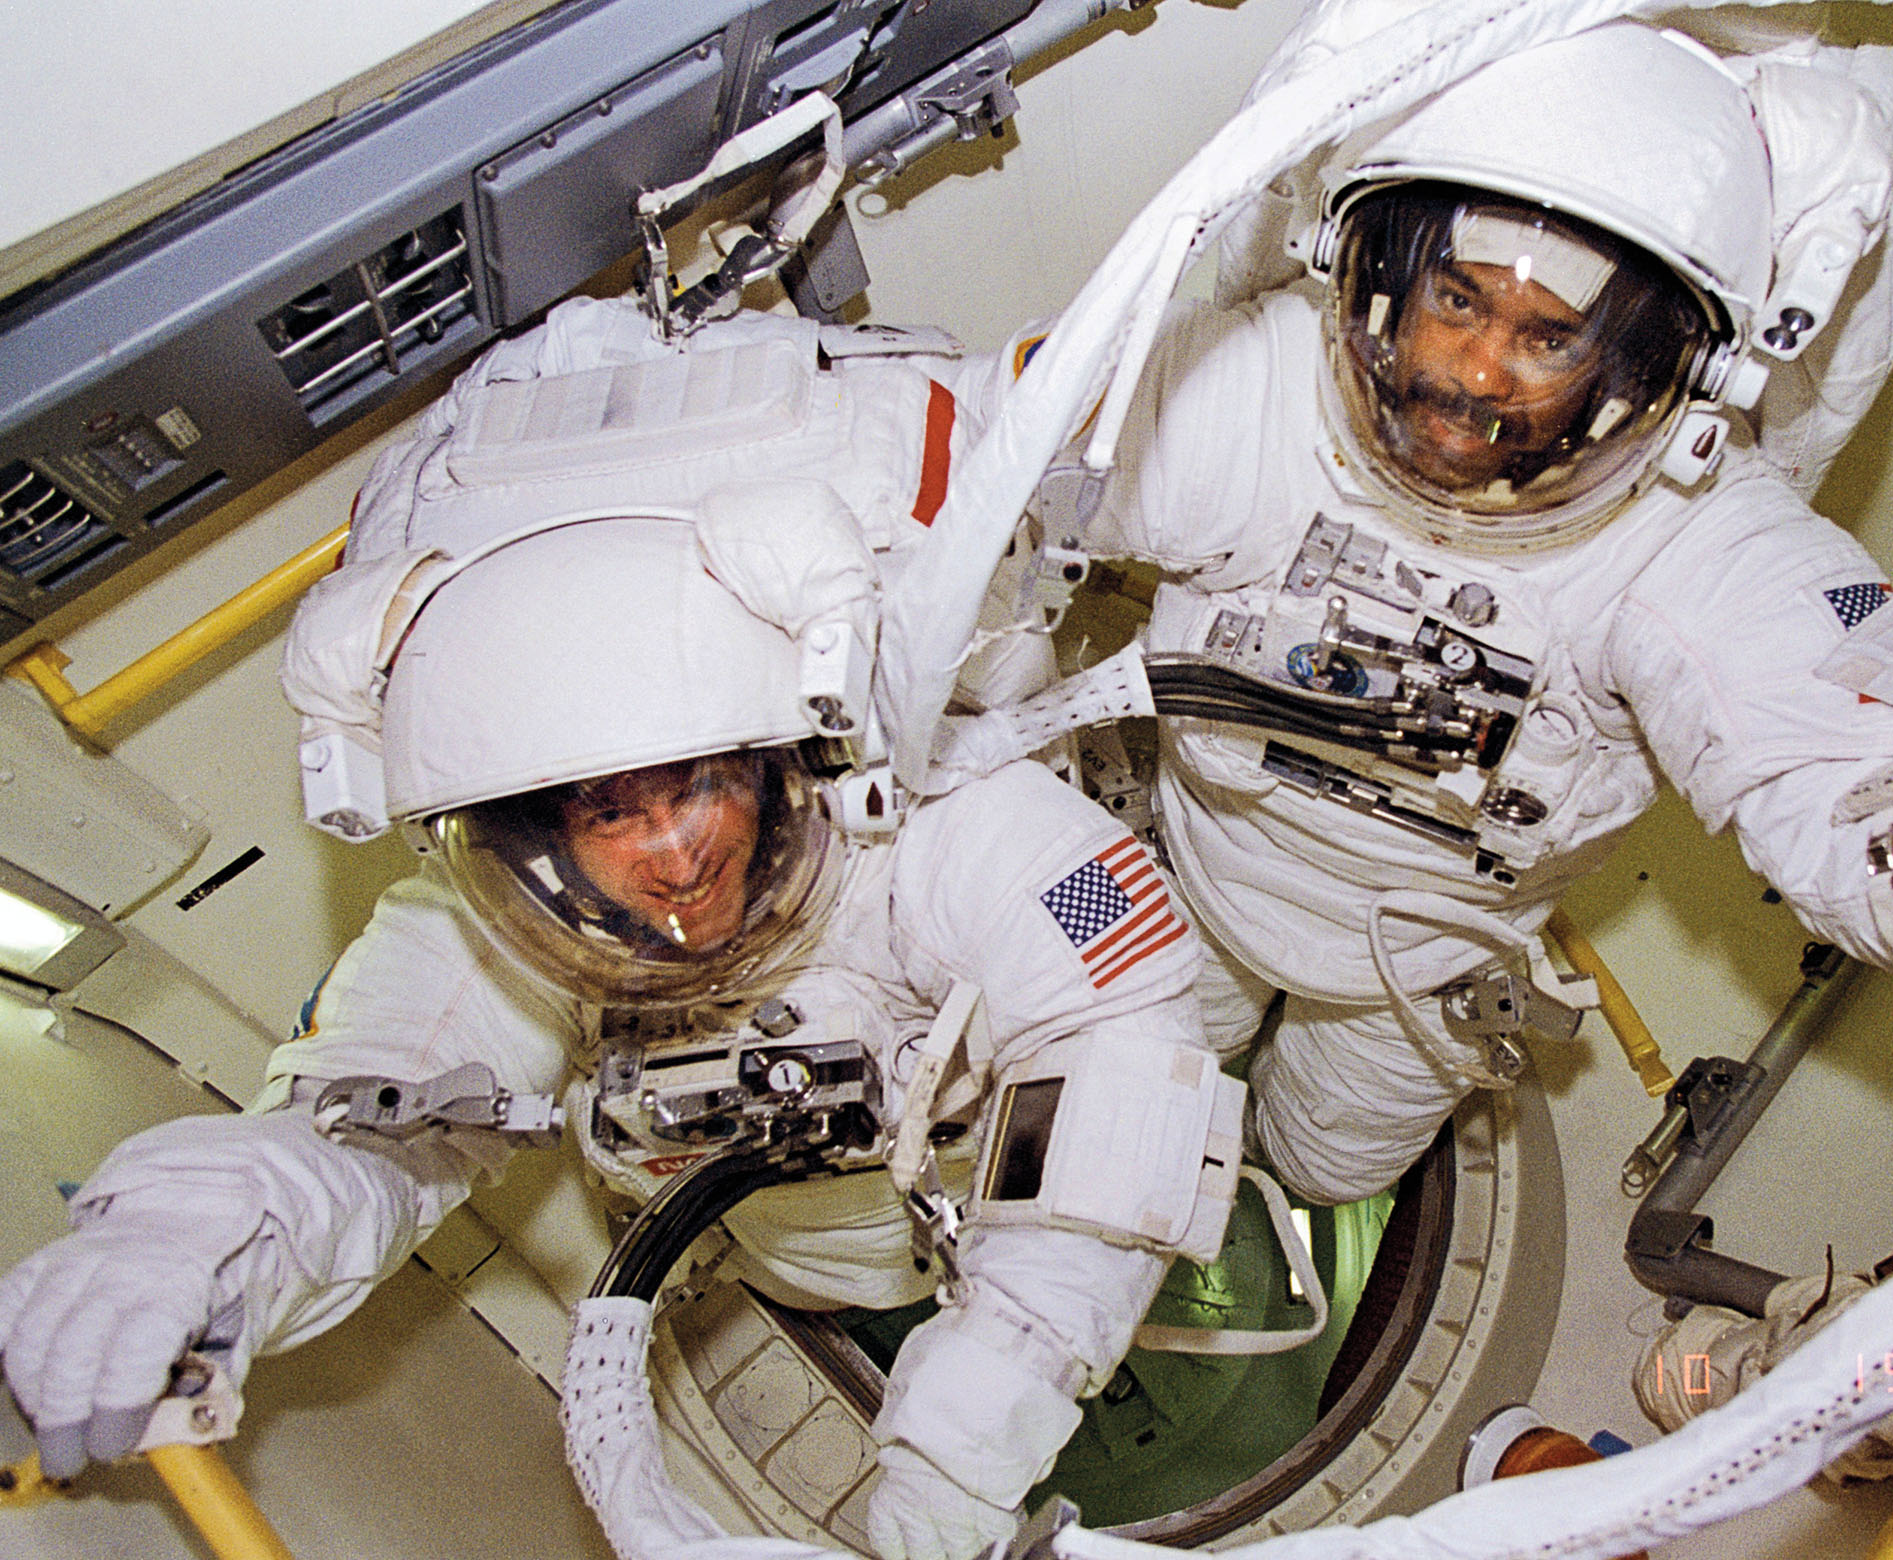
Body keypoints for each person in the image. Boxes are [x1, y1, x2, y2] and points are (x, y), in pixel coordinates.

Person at [957, 21, 1893, 1207]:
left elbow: (1871, 801)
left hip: (1417, 961)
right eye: (1457, 297)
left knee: (1324, 1164)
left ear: (1660, 363)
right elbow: (961, 481)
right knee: (1134, 1097)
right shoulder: (1242, 396)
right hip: (1199, 868)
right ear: (1371, 269)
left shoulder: (1694, 543)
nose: (1477, 366)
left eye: (1549, 337)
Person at [0, 299, 1237, 1560]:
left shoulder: (954, 829)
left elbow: (1124, 1062)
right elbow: (363, 1126)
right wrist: (194, 1234)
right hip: (766, 1248)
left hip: (961, 1215)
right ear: (536, 827)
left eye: (695, 780)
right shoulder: (501, 937)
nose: (673, 854)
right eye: (606, 809)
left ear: (772, 750)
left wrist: (969, 1430)